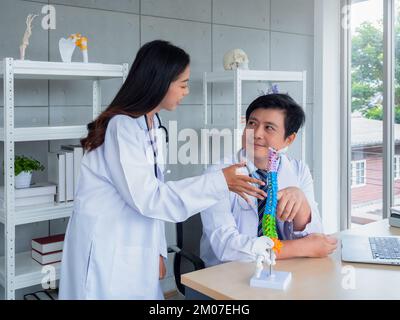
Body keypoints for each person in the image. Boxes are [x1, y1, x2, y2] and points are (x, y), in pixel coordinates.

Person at [58, 40, 266, 300]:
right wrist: (218, 182)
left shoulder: (152, 122)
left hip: (135, 247)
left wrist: (157, 249)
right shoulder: (122, 127)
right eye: (183, 84)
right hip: (107, 248)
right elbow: (149, 197)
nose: (186, 91)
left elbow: (153, 193)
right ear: (160, 82)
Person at [200, 93, 338, 268]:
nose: (256, 134)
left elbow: (316, 239)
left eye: (269, 128)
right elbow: (227, 248)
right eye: (252, 123)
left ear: (289, 139)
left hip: (284, 268)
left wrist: (301, 202)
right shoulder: (218, 174)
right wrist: (300, 247)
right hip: (228, 273)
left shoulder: (299, 171)